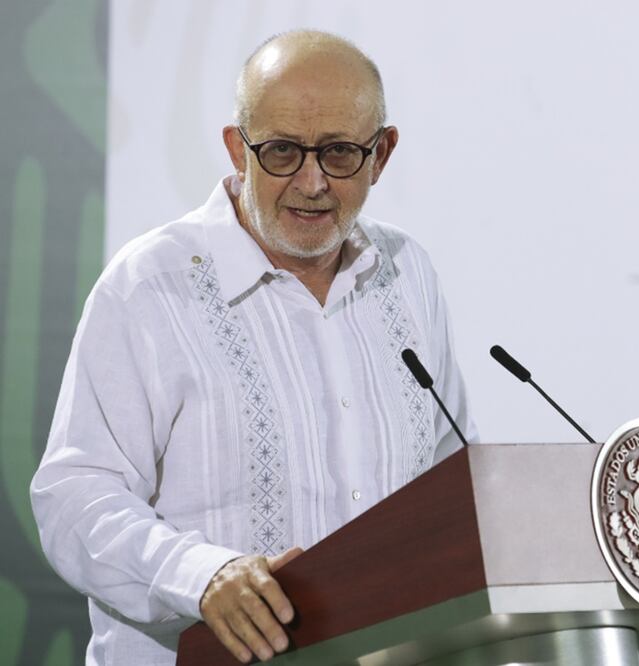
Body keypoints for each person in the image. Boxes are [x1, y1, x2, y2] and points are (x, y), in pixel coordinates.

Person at [30, 30, 476, 665]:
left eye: (342, 152)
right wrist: (202, 576)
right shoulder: (150, 287)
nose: (313, 182)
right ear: (238, 150)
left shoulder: (408, 274)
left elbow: (445, 477)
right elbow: (73, 497)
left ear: (383, 155)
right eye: (284, 151)